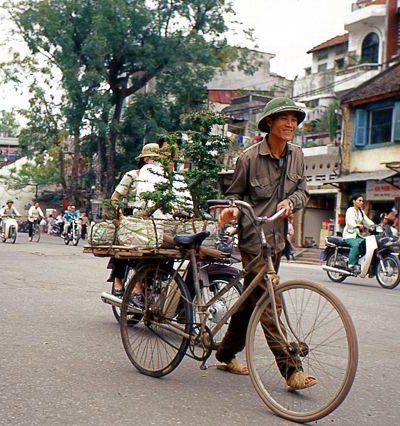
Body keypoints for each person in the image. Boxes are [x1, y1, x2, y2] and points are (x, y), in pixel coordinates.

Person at [215, 97, 316, 390]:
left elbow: (302, 190)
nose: (290, 124)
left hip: (277, 239)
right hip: (252, 239)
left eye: (294, 119)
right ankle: (291, 370)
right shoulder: (248, 158)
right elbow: (235, 196)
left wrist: (290, 201)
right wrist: (232, 209)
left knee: (251, 300)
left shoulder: (297, 155)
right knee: (271, 302)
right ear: (269, 122)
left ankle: (224, 352)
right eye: (284, 118)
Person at [108, 143, 161, 301]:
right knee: (126, 249)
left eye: (159, 160)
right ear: (146, 159)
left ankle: (148, 284)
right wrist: (121, 216)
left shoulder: (160, 179)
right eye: (154, 159)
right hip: (131, 216)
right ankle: (119, 280)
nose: (156, 162)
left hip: (151, 218)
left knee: (154, 253)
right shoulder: (132, 175)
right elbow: (115, 198)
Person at [343, 194, 374, 272]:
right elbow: (350, 222)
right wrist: (357, 225)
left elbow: (367, 221)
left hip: (357, 235)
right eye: (359, 200)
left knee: (367, 244)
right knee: (356, 244)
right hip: (349, 235)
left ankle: (360, 263)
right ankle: (351, 264)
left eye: (362, 201)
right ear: (354, 201)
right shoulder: (350, 210)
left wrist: (375, 226)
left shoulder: (361, 212)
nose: (361, 202)